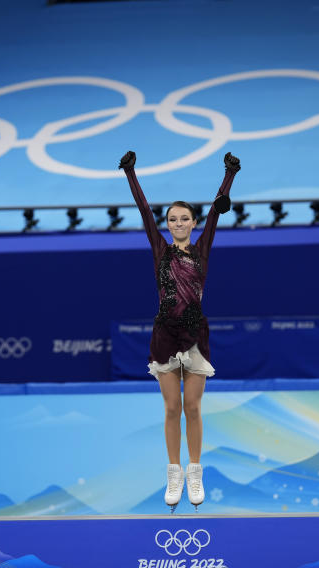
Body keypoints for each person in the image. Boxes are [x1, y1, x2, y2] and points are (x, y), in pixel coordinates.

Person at [120, 150, 240, 511]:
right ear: (168, 224)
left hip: (195, 335)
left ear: (192, 222)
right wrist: (131, 173)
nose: (178, 223)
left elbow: (218, 209)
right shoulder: (160, 250)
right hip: (164, 335)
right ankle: (173, 473)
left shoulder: (202, 249)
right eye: (172, 219)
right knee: (172, 408)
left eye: (184, 218)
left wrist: (229, 175)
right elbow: (143, 210)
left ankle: (195, 470)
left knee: (193, 407)